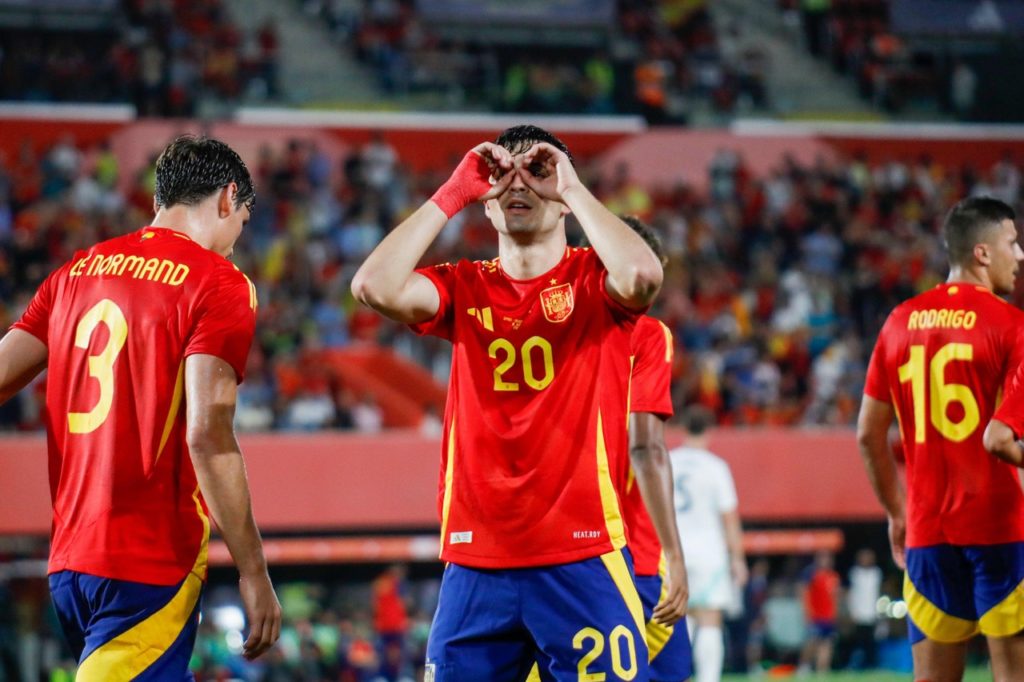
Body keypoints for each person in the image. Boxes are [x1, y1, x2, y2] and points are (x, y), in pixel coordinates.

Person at [351, 124, 663, 680]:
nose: (519, 184)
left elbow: (642, 275)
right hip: (476, 563)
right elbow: (373, 285)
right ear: (487, 204)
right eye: (502, 176)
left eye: (537, 172)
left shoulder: (594, 279)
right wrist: (452, 193)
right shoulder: (464, 286)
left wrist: (569, 186)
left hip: (581, 555)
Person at [0, 135, 281, 678]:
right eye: (241, 223)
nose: (234, 243)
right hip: (149, 561)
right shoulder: (219, 283)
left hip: (70, 562)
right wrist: (253, 571)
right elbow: (208, 433)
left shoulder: (76, 270)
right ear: (228, 198)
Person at [858, 196, 1024, 682]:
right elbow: (1000, 439)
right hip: (1000, 529)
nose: (1020, 256)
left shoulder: (898, 321)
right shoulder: (1012, 326)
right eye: (1013, 243)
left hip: (927, 530)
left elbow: (868, 435)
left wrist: (896, 512)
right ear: (983, 253)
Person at [619, 216, 692, 681]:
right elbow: (645, 448)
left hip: (560, 559)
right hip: (635, 556)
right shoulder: (646, 334)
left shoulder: (553, 332)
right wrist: (676, 553)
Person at [670, 406, 748, 682]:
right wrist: (738, 558)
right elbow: (729, 518)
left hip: (672, 550)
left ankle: (677, 674)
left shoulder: (668, 461)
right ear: (709, 431)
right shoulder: (716, 467)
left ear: (683, 428)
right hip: (708, 552)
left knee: (679, 617)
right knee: (710, 617)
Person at [797, 550, 839, 675]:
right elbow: (803, 593)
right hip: (815, 616)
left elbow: (835, 597)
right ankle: (804, 666)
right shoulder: (811, 574)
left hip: (829, 617)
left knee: (827, 644)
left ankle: (822, 671)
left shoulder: (833, 576)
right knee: (812, 642)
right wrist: (806, 612)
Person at [845, 548, 881, 670]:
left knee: (871, 641)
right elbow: (851, 594)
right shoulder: (855, 573)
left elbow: (877, 593)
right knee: (857, 640)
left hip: (872, 612)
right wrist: (852, 611)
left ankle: (871, 665)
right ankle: (854, 664)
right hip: (859, 613)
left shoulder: (876, 573)